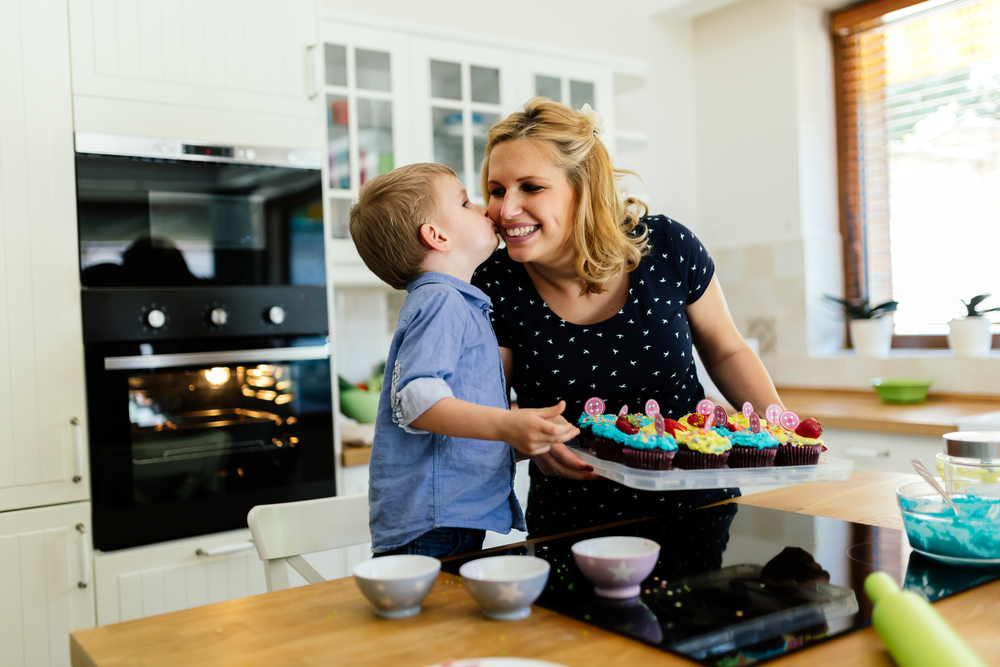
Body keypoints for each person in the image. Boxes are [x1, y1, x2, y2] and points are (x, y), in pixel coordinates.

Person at [472, 98, 784, 537]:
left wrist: (784, 432)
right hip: (570, 525)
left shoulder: (668, 246)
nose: (506, 210)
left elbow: (726, 350)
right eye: (497, 190)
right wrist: (527, 440)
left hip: (696, 510)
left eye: (531, 188)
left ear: (584, 188)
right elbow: (489, 410)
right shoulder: (493, 282)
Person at [348, 162, 579, 558]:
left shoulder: (451, 302)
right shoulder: (443, 301)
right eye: (466, 203)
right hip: (436, 523)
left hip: (443, 519)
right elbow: (417, 400)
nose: (486, 210)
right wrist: (508, 424)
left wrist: (522, 436)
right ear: (436, 236)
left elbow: (452, 431)